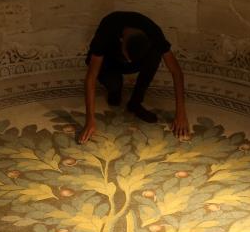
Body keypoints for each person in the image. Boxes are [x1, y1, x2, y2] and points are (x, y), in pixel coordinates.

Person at [78, 11, 190, 144]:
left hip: (137, 59)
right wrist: (89, 120)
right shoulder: (108, 28)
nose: (129, 61)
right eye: (127, 57)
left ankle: (135, 102)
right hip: (109, 62)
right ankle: (115, 90)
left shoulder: (153, 32)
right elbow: (91, 76)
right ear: (122, 40)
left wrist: (181, 113)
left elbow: (176, 71)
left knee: (155, 54)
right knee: (113, 83)